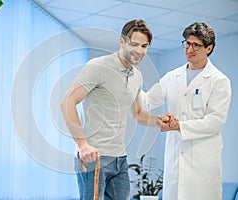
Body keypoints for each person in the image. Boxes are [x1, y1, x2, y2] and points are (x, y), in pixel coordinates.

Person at [60, 19, 163, 200]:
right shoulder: (98, 66)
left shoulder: (137, 76)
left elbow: (137, 113)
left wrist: (158, 121)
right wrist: (82, 145)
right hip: (94, 158)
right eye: (134, 44)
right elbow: (67, 102)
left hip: (120, 159)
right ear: (122, 42)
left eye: (144, 46)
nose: (139, 50)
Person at [143, 22, 232, 200]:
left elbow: (215, 122)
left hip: (203, 164)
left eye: (196, 45)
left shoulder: (219, 81)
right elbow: (147, 101)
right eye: (187, 43)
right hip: (176, 162)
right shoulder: (172, 77)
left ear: (209, 48)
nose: (189, 49)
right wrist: (130, 79)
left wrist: (178, 126)